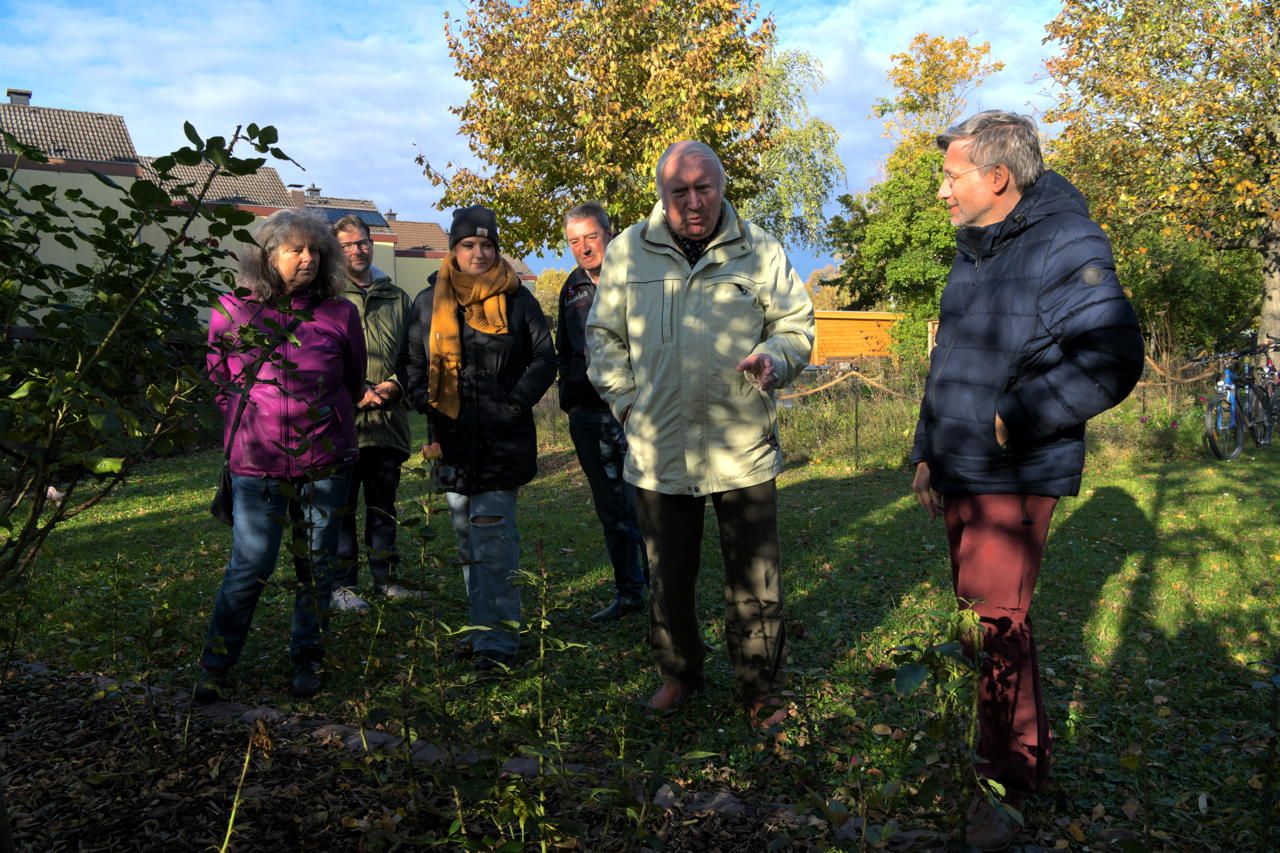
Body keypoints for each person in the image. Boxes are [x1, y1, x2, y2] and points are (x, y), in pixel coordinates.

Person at [910, 110, 1143, 849]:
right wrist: (926, 449)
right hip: (963, 464)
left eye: (951, 177)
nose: (942, 192)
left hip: (1012, 470)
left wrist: (1020, 414)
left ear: (997, 177)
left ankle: (1000, 786)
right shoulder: (974, 246)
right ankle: (1017, 763)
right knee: (991, 621)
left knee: (995, 624)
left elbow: (1113, 357)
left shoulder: (1065, 241)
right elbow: (949, 356)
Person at [586, 140, 814, 726]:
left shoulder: (759, 249)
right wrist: (628, 405)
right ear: (661, 194)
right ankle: (678, 674)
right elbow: (603, 338)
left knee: (755, 579)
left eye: (704, 188)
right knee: (668, 575)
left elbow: (795, 325)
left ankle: (761, 689)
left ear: (721, 185)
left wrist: (775, 357)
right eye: (679, 191)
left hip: (742, 447)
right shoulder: (627, 252)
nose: (693, 201)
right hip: (657, 450)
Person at [196, 209, 367, 701]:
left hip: (326, 461)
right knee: (249, 567)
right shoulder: (231, 310)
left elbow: (352, 382)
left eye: (315, 250)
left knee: (316, 566)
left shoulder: (340, 313)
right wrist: (253, 425)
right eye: (295, 250)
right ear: (267, 257)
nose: (308, 258)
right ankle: (215, 666)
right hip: (257, 465)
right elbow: (219, 382)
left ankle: (307, 661)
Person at [403, 205, 555, 673]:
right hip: (450, 439)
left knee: (493, 540)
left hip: (501, 437)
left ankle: (501, 641)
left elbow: (545, 359)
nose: (480, 253)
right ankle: (480, 627)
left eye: (487, 245)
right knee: (467, 541)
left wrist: (514, 402)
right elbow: (409, 362)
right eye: (469, 244)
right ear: (454, 249)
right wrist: (424, 400)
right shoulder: (429, 303)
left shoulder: (517, 300)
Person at [556, 202, 649, 622]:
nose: (583, 248)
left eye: (590, 237)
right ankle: (628, 593)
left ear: (609, 233)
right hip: (589, 414)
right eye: (574, 241)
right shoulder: (572, 288)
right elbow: (565, 348)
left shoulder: (637, 277)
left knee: (643, 504)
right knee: (610, 509)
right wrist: (570, 400)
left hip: (636, 409)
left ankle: (661, 594)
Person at [328, 214, 422, 612]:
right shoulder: (328, 297)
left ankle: (386, 580)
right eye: (347, 244)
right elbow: (320, 358)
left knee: (383, 507)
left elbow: (414, 355)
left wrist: (397, 386)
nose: (356, 250)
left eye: (362, 242)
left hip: (387, 421)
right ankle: (343, 586)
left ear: (372, 243)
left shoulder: (397, 297)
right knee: (342, 509)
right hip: (340, 423)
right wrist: (354, 391)